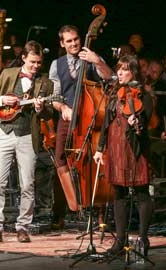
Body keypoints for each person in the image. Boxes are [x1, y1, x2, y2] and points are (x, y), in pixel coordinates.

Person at [0, 40, 54, 243]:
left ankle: (23, 226)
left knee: (27, 184)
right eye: (32, 62)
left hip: (27, 136)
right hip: (5, 133)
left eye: (39, 63)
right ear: (24, 58)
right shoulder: (8, 74)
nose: (36, 66)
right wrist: (3, 100)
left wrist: (41, 109)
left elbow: (48, 115)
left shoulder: (45, 82)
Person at [48, 25, 113, 228]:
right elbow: (55, 96)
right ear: (62, 43)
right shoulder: (56, 65)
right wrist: (62, 107)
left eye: (76, 39)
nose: (74, 43)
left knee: (95, 163)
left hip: (91, 119)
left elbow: (110, 77)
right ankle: (67, 208)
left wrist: (97, 61)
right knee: (59, 160)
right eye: (69, 41)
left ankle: (100, 212)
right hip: (67, 120)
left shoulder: (91, 57)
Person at [93, 55, 153, 256]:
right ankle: (120, 240)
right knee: (118, 193)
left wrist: (138, 123)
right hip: (115, 146)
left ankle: (143, 238)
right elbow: (106, 124)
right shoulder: (113, 94)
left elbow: (147, 122)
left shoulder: (144, 94)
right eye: (118, 69)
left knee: (141, 192)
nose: (119, 73)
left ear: (133, 72)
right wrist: (100, 148)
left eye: (124, 69)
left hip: (135, 147)